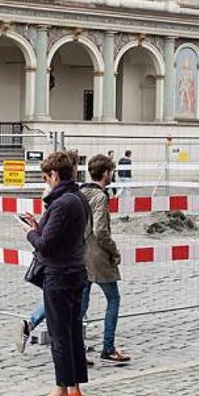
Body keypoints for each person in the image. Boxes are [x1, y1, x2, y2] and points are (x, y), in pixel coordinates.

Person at [19, 151, 91, 396]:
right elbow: (61, 235)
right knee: (72, 332)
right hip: (75, 271)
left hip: (59, 274)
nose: (45, 182)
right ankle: (74, 386)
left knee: (60, 334)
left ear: (55, 175)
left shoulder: (62, 202)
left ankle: (60, 390)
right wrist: (39, 225)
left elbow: (46, 245)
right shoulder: (78, 198)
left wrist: (30, 233)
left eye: (46, 177)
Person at [80, 155, 130, 363]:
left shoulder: (80, 192)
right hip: (98, 255)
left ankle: (77, 349)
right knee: (113, 299)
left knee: (81, 304)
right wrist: (114, 250)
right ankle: (108, 348)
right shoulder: (100, 197)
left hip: (80, 254)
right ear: (107, 173)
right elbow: (100, 230)